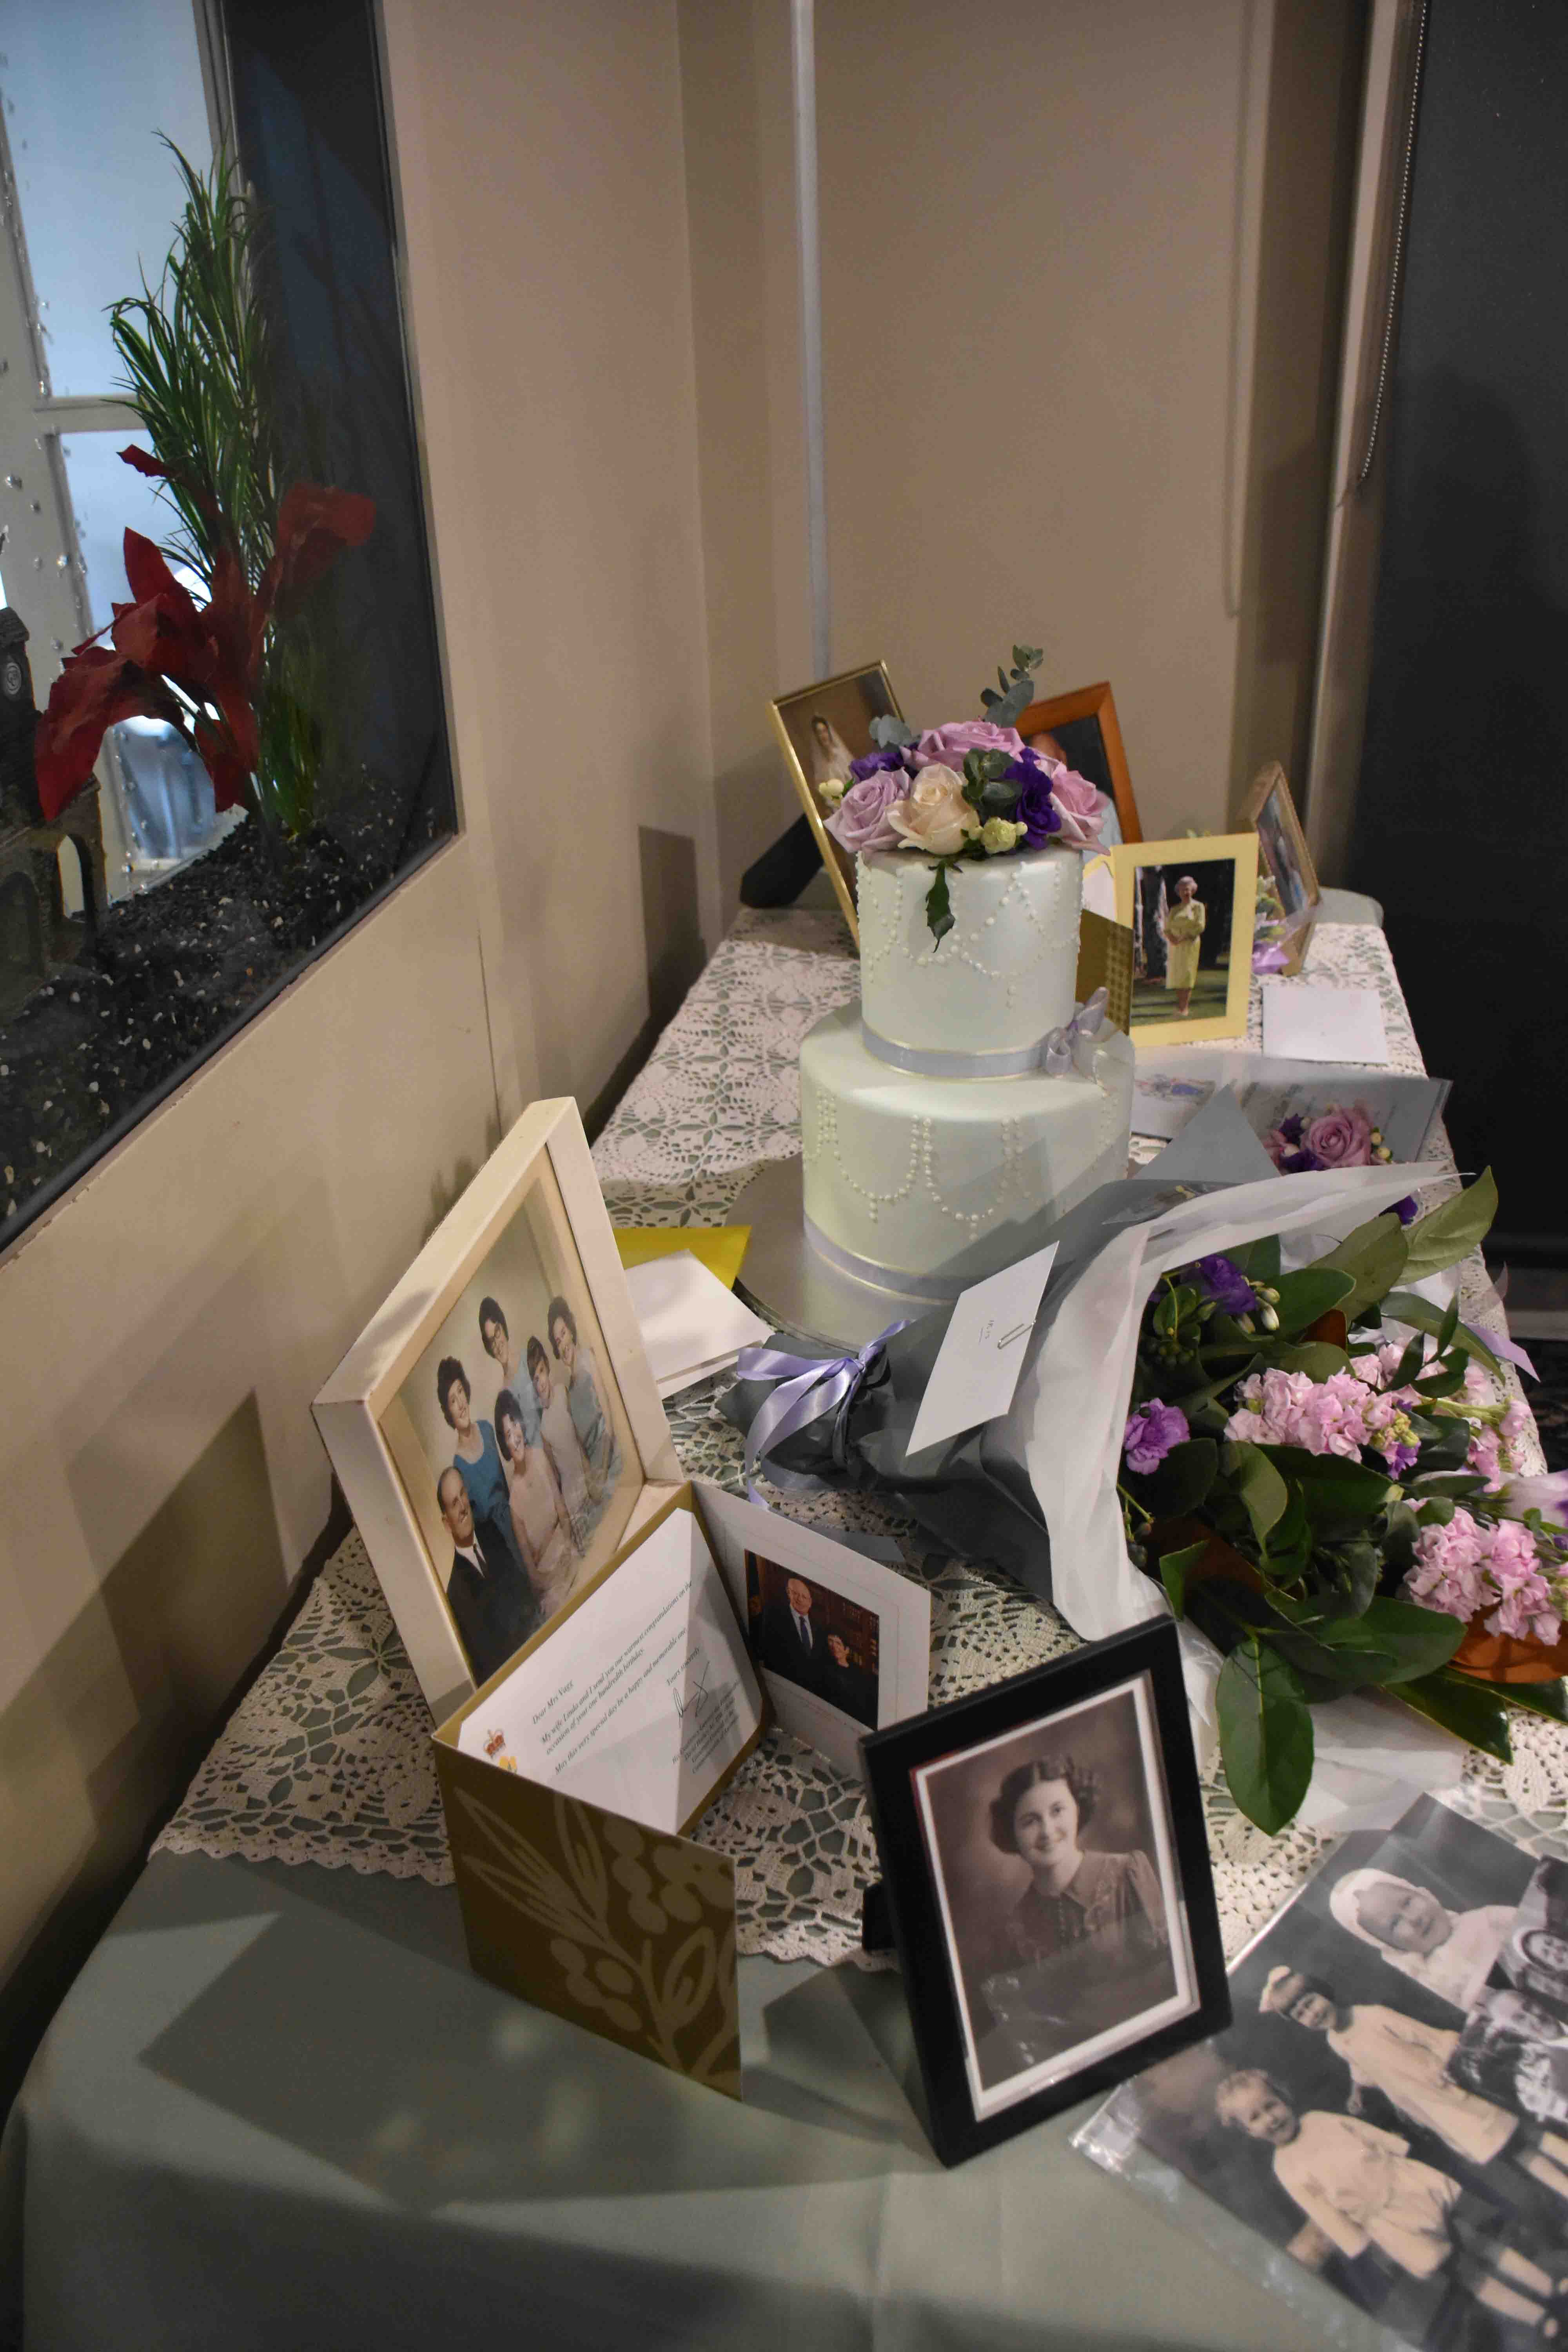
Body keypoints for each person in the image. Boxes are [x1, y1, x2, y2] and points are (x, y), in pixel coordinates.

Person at [1216, 2068, 1568, 2332]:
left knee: (1480, 2242)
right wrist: (1361, 2246)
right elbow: (1324, 2214)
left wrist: (1399, 2148)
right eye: (1256, 2118)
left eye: (1271, 2105)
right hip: (1386, 2221)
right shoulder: (1286, 2168)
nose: (1270, 2119)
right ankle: (1537, 2317)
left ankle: (1551, 2288)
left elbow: (1365, 2134)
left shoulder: (1318, 2121)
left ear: (1284, 2098)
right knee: (1464, 2271)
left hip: (1407, 2184)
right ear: (1248, 2131)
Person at [1260, 1964, 1568, 2201]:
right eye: (1302, 2014)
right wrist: (1357, 2090)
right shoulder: (1336, 2041)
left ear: (1324, 1993)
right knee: (1510, 2151)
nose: (1312, 2014)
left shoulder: (1372, 2017)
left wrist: (1455, 2065)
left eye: (1311, 2002)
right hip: (1432, 2108)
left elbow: (1427, 2037)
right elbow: (1361, 2066)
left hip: (1451, 2088)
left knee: (1524, 2133)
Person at [1329, 1867, 1514, 2014]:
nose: (1413, 1919)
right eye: (1395, 1923)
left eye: (1407, 1903)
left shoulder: (1485, 1919)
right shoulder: (1431, 1983)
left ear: (1423, 1894)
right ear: (1391, 1947)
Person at [436, 1466, 535, 1680]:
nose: (463, 1507)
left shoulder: (491, 1531)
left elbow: (523, 1589)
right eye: (454, 1504)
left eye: (463, 1494)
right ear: (447, 1523)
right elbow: (487, 1661)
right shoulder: (455, 1592)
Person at [495, 1385, 580, 1620]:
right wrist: (555, 1578)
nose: (515, 1438)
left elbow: (562, 1511)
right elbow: (533, 1577)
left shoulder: (541, 1457)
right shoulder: (514, 1505)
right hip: (548, 1578)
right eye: (507, 1434)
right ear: (504, 1444)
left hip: (566, 1549)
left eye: (515, 1425)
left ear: (522, 1425)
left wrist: (569, 1547)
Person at [438, 1355, 525, 1579]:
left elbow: (506, 1487)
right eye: (453, 1401)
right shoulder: (458, 1468)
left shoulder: (487, 1429)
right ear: (449, 1413)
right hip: (498, 1550)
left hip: (517, 1522)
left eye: (460, 1392)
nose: (461, 1404)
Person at [548, 1294, 620, 1514]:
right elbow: (582, 1450)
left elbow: (610, 1422)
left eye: (564, 1333)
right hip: (595, 1472)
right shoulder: (568, 1392)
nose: (563, 1343)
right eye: (558, 1341)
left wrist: (603, 1473)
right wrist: (591, 1482)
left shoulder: (590, 1359)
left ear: (571, 1330)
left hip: (611, 1456)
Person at [529, 1334, 593, 1547]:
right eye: (535, 1380)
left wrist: (590, 1477)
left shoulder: (563, 1392)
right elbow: (555, 1474)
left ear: (547, 1367)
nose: (540, 1382)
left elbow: (580, 1441)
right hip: (571, 1497)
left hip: (585, 1479)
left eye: (541, 1372)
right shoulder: (542, 1427)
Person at [478, 1296, 541, 1446]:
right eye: (491, 1341)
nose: (497, 1344)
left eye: (497, 1332)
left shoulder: (529, 1359)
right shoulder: (504, 1394)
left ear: (504, 1328)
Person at [755, 1573, 829, 1697]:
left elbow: (821, 1663)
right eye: (795, 1594)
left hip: (814, 1693)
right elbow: (768, 1655)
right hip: (785, 1691)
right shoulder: (774, 1617)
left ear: (810, 1602)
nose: (800, 1599)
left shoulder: (819, 1626)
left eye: (804, 1597)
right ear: (788, 1593)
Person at [1160, 875, 1205, 1016]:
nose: (1185, 892)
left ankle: (1185, 1008)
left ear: (1193, 890)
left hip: (1190, 944)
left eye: (1188, 889)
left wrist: (1184, 937)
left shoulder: (1198, 907)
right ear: (1178, 892)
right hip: (1175, 946)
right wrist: (1172, 939)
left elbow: (1200, 926)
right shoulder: (1175, 909)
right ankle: (1181, 1007)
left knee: (1187, 975)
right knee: (1178, 975)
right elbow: (1167, 928)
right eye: (1182, 890)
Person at [819, 1630, 877, 1728]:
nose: (834, 1646)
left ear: (847, 1650)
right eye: (831, 1642)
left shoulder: (857, 1670)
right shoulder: (827, 1670)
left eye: (838, 1643)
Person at [807, 713, 854, 800]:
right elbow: (824, 792)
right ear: (816, 737)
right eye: (820, 733)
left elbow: (853, 777)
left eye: (825, 731)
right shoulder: (820, 765)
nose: (824, 736)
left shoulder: (840, 754)